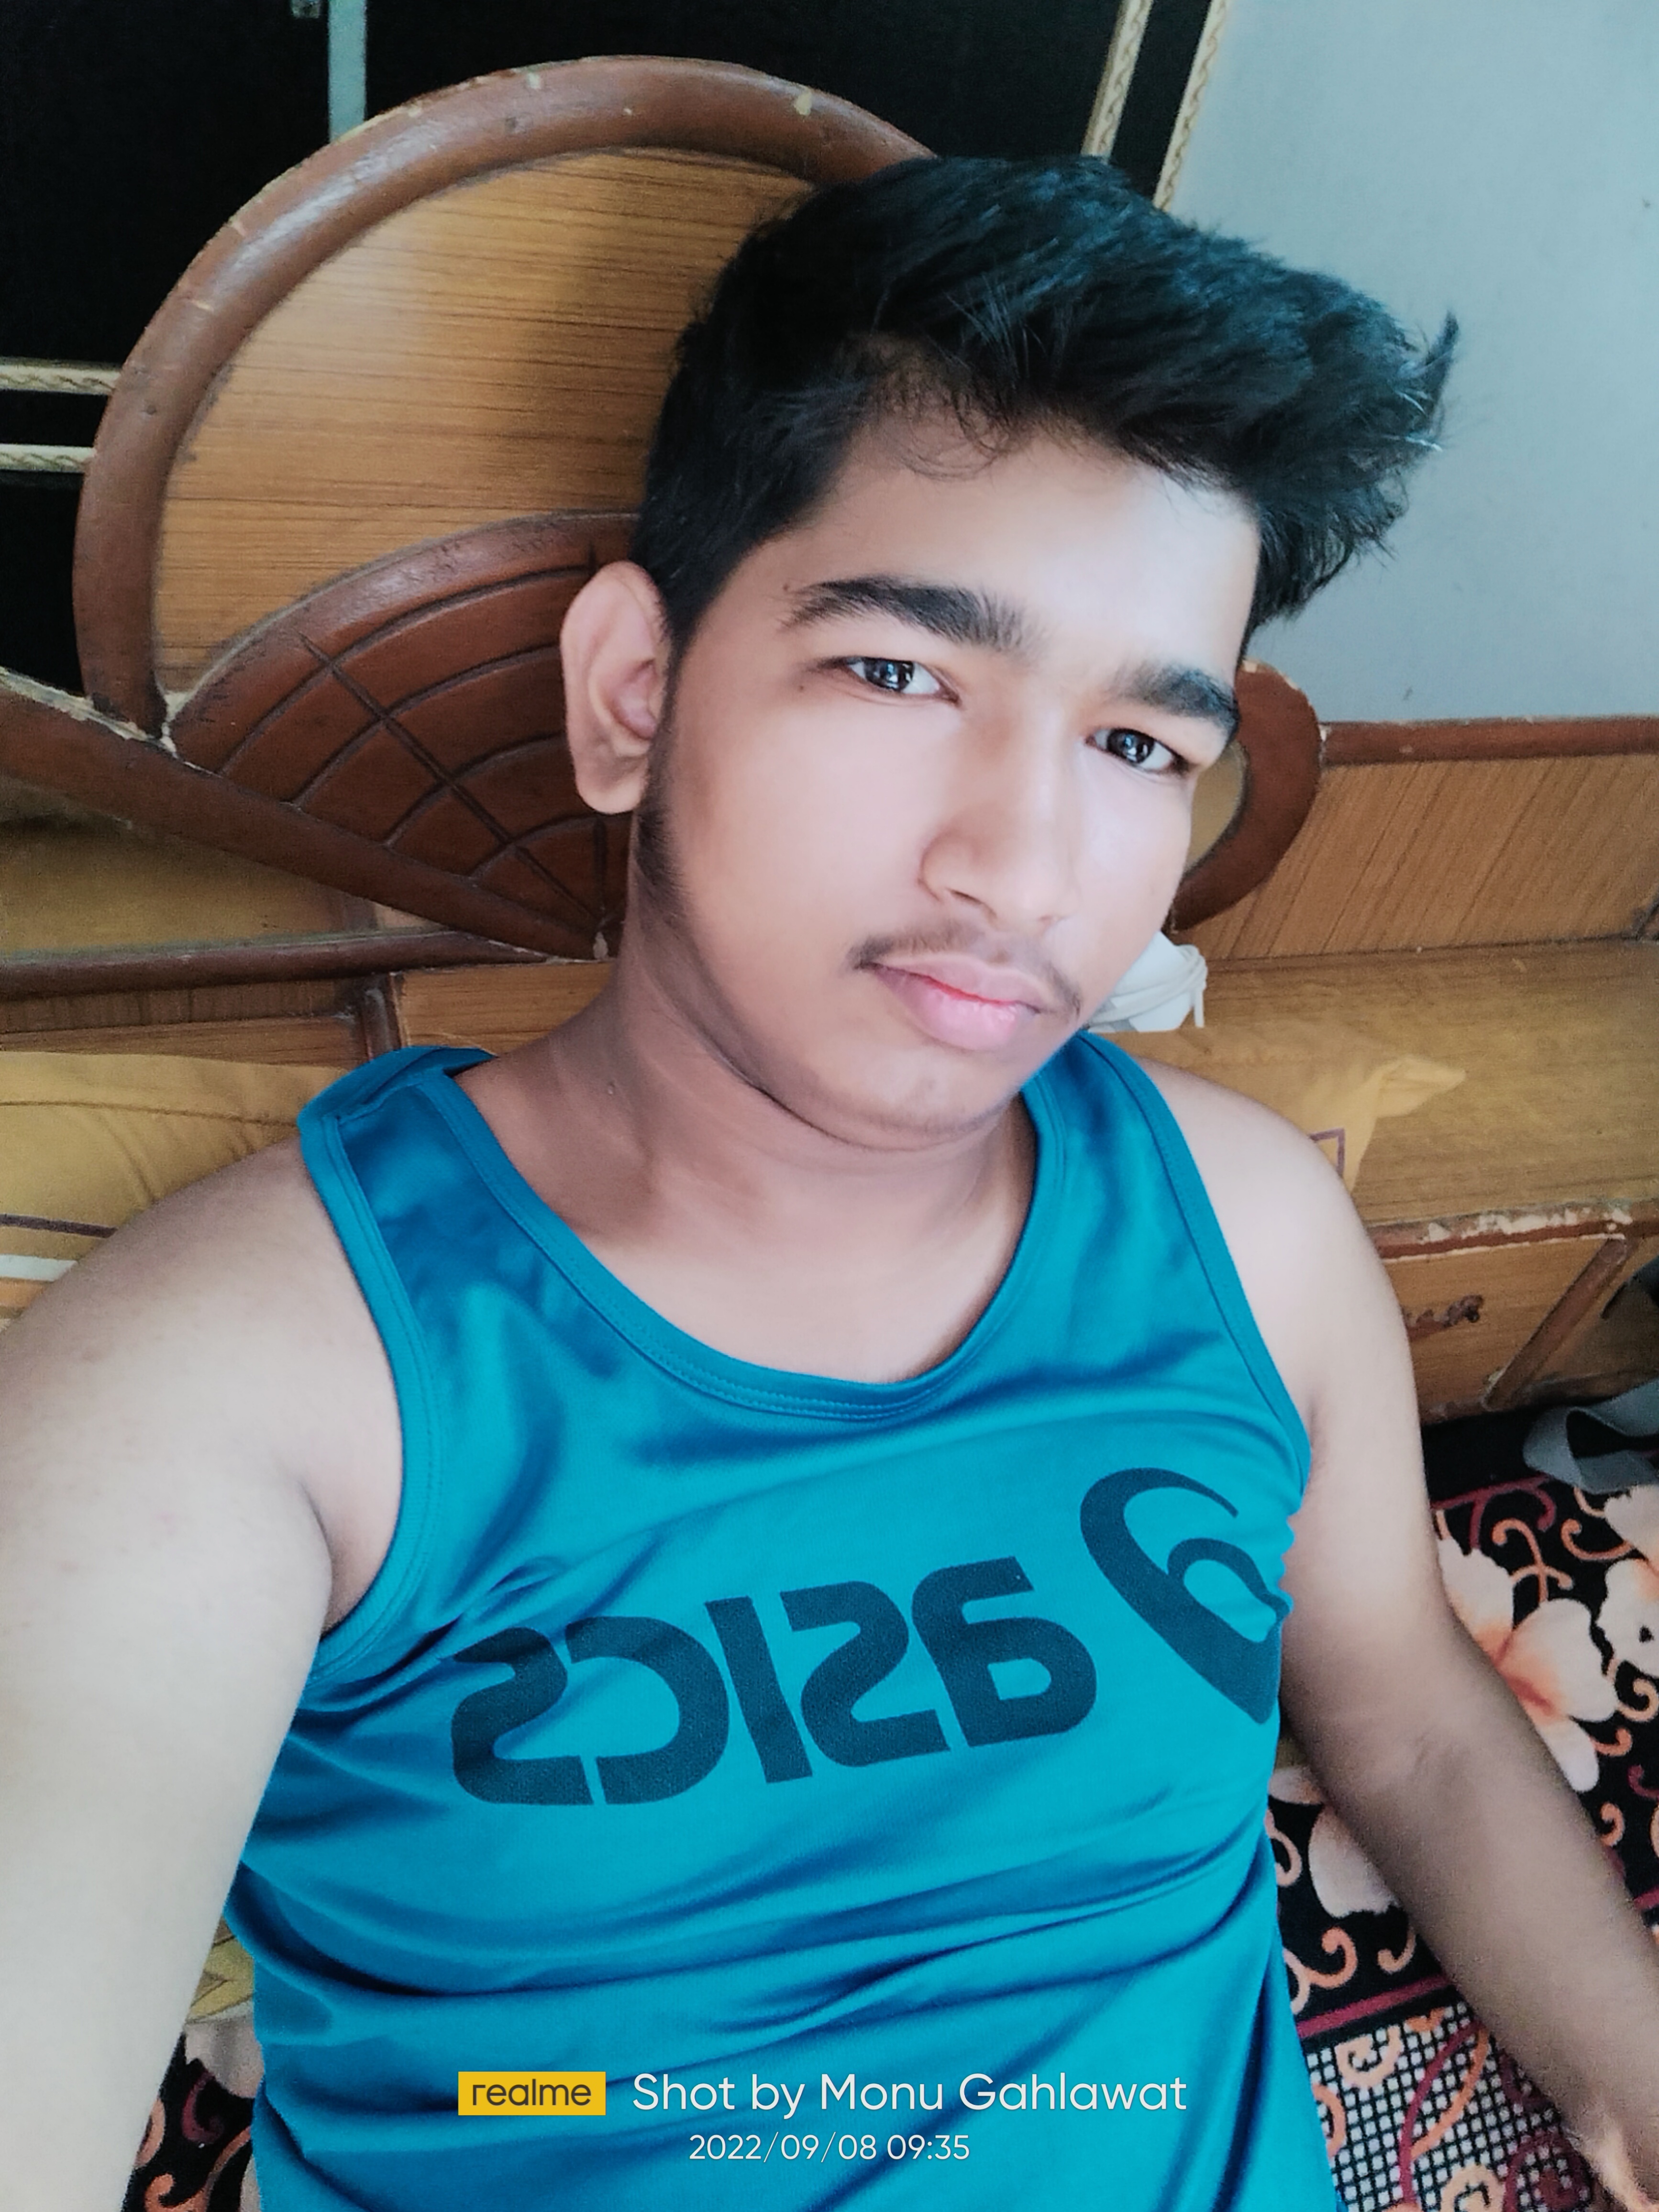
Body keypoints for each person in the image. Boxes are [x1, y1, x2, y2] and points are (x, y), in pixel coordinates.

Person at [2, 154, 1657, 2212]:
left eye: (1138, 745)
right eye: (897, 673)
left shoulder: (1247, 1234)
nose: (1022, 864)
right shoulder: (239, 1386)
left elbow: (1399, 1709)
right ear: (635, 693)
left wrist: (1631, 2081)